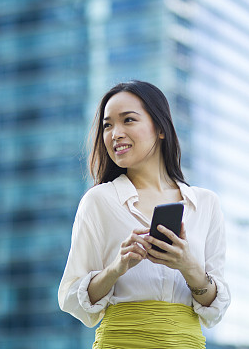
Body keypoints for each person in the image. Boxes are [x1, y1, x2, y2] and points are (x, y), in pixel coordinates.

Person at [58, 80, 230, 349]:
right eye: (107, 125)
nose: (115, 133)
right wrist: (116, 268)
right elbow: (71, 296)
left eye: (128, 120)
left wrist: (188, 266)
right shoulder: (99, 201)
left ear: (160, 128)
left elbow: (214, 311)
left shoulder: (206, 204)